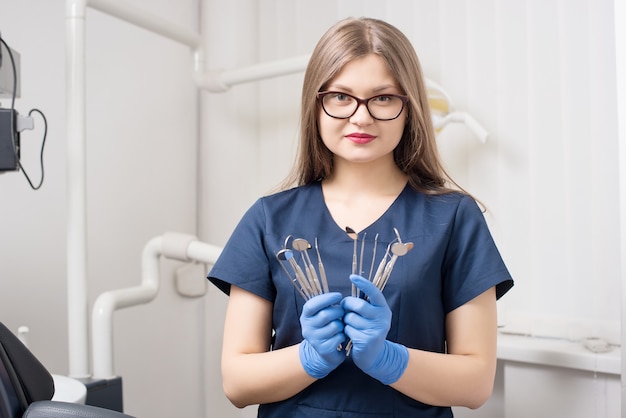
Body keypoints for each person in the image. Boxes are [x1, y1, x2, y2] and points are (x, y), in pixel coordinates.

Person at [208, 16, 513, 417]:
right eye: (340, 97)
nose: (361, 117)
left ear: (410, 108)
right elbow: (237, 383)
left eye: (383, 98)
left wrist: (389, 360)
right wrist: (309, 358)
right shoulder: (269, 219)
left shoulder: (453, 218)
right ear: (316, 105)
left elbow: (475, 384)